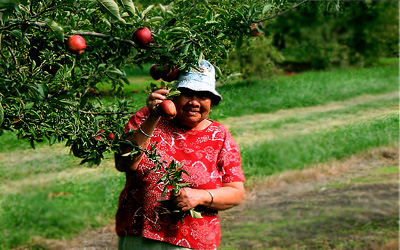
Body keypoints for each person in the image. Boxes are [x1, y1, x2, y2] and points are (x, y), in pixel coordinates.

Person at [114, 60, 245, 250]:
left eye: (203, 96)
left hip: (192, 243)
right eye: (187, 94)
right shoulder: (146, 117)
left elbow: (236, 193)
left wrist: (201, 197)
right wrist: (153, 117)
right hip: (140, 237)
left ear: (211, 101)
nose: (194, 102)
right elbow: (124, 163)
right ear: (174, 95)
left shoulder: (219, 135)